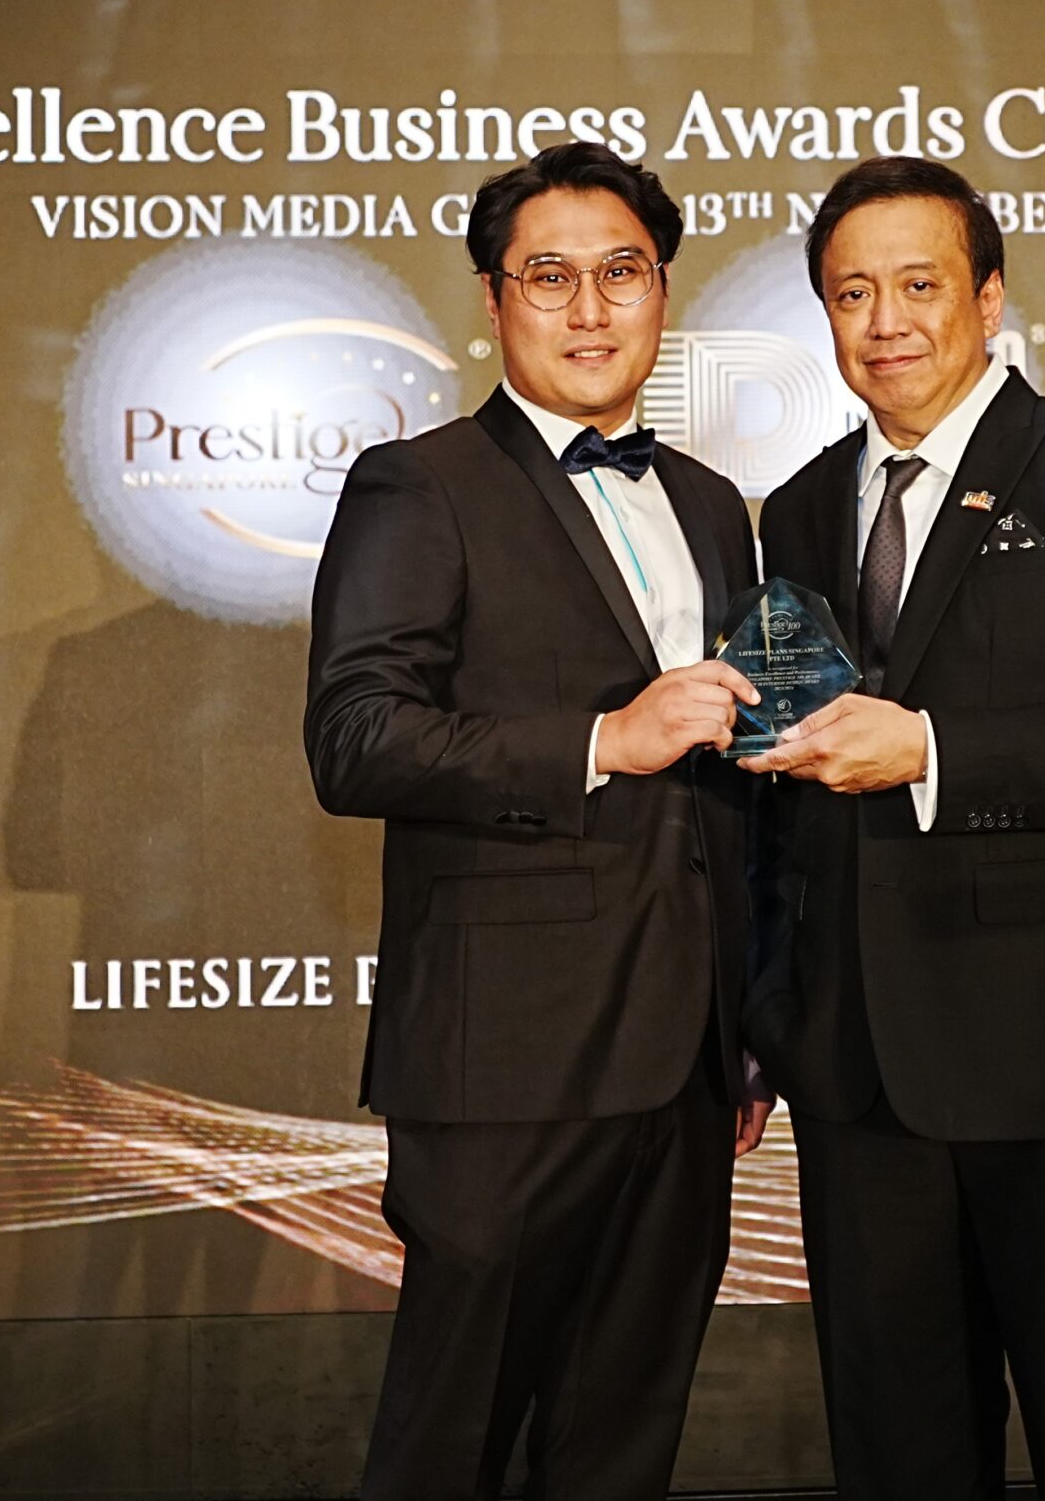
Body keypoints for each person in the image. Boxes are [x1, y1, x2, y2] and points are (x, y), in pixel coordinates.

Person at [740, 155, 1045, 1501]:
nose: (886, 322)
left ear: (989, 297)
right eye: (853, 293)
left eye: (919, 285)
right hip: (859, 1076)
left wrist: (933, 751)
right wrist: (767, 1016)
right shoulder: (797, 509)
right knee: (899, 1461)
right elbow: (782, 792)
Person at [304, 141, 774, 1501]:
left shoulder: (711, 506)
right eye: (549, 277)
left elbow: (729, 787)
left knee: (621, 1442)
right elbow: (356, 737)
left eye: (621, 272)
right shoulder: (421, 483)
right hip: (505, 1063)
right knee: (452, 1443)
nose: (589, 308)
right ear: (493, 300)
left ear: (662, 292)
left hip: (689, 1064)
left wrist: (750, 1022)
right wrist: (603, 741)